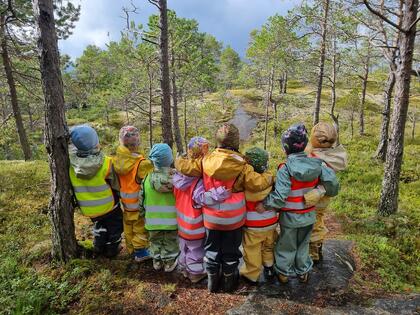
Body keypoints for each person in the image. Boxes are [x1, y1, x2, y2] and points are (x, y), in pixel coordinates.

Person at [175, 123, 273, 293]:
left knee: (211, 249)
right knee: (231, 250)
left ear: (217, 141)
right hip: (235, 218)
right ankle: (229, 283)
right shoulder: (243, 165)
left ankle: (212, 283)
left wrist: (178, 160)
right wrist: (270, 176)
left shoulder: (205, 161)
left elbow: (187, 167)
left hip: (211, 218)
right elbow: (257, 184)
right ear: (236, 143)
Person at [257, 123, 339, 284]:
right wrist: (320, 191)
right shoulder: (317, 164)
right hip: (309, 215)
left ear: (285, 148)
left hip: (289, 217)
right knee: (303, 244)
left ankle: (283, 273)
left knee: (286, 244)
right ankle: (303, 272)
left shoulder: (285, 168)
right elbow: (333, 185)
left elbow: (280, 197)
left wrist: (265, 204)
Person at [173, 137, 231, 283]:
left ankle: (184, 268)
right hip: (195, 224)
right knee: (196, 250)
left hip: (181, 222)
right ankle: (195, 273)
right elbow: (202, 198)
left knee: (184, 247)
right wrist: (219, 193)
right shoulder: (197, 180)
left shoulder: (178, 176)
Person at [69, 124, 123, 258]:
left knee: (99, 224)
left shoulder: (71, 165)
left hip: (89, 209)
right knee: (115, 226)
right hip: (109, 206)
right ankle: (112, 248)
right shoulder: (106, 162)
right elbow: (116, 185)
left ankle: (99, 246)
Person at [304, 122, 348, 263]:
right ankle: (317, 245)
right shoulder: (333, 155)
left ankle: (313, 253)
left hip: (315, 196)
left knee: (313, 223)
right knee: (319, 219)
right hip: (325, 196)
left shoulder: (316, 158)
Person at [113, 126, 154, 262]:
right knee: (139, 228)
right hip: (138, 203)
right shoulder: (142, 164)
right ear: (138, 142)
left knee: (128, 226)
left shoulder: (117, 161)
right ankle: (141, 251)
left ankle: (131, 249)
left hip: (125, 203)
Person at [239, 147, 277, 285]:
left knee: (252, 248)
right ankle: (269, 267)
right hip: (271, 221)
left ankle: (251, 274)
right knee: (268, 245)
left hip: (252, 224)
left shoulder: (245, 182)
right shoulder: (271, 178)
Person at [140, 143, 178, 272]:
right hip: (172, 221)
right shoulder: (177, 180)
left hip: (152, 220)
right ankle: (169, 262)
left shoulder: (146, 178)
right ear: (170, 159)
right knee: (171, 243)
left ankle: (156, 261)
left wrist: (142, 214)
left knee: (155, 241)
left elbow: (141, 199)